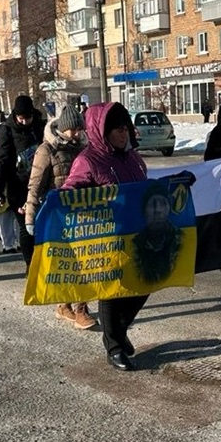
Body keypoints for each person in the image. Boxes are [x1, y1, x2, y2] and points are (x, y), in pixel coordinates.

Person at [63, 102, 148, 371]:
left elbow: (146, 188)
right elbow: (70, 191)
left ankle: (119, 332)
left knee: (145, 282)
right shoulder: (88, 160)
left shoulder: (133, 157)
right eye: (117, 130)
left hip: (136, 232)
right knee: (111, 290)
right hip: (106, 237)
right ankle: (114, 347)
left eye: (126, 129)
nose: (123, 134)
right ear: (102, 131)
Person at [25, 105, 95, 330]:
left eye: (79, 129)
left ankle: (81, 309)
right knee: (68, 263)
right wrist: (30, 214)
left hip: (83, 213)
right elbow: (35, 184)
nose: (76, 134)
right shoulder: (48, 150)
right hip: (58, 214)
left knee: (84, 261)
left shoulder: (85, 149)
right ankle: (65, 305)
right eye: (72, 129)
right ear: (62, 128)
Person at [0, 94, 47, 265]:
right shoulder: (7, 130)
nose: (25, 122)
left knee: (42, 226)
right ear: (16, 116)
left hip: (40, 184)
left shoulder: (40, 126)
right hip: (18, 185)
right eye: (21, 118)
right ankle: (30, 265)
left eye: (28, 118)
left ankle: (43, 263)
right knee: (25, 227)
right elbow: (0, 160)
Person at [132, 180, 183, 283]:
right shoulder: (133, 244)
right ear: (144, 210)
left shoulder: (181, 239)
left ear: (169, 208)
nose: (158, 210)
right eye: (152, 204)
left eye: (163, 204)